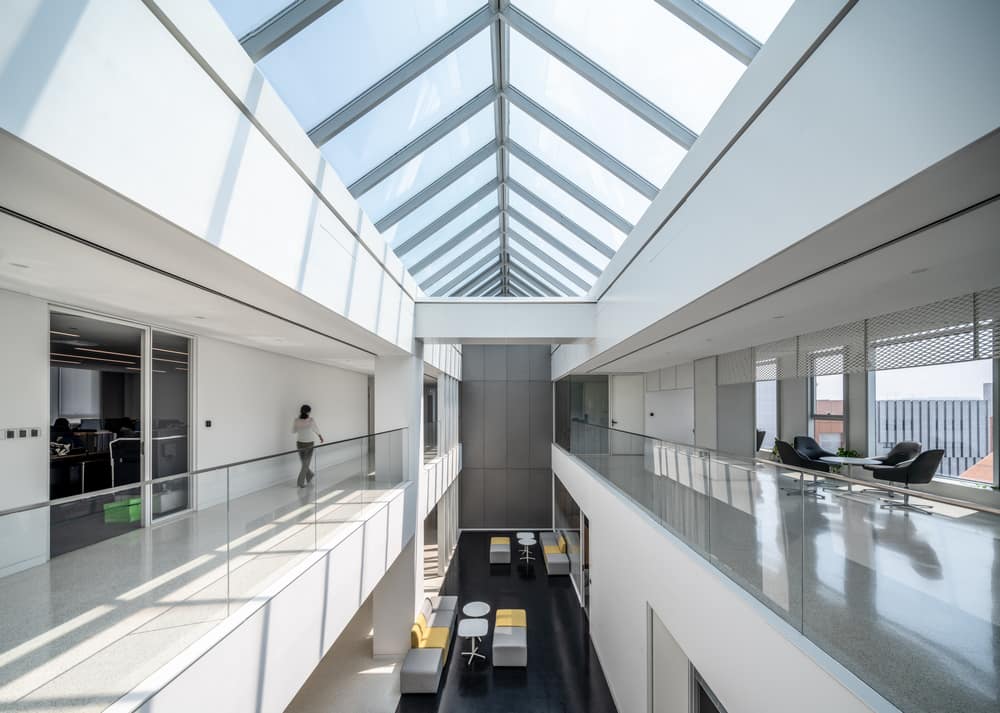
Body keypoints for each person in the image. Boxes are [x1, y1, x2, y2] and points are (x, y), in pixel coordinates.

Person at [292, 405, 323, 487]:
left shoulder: (296, 420)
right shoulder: (311, 420)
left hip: (300, 443)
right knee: (305, 464)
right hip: (309, 443)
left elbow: (294, 431)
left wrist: (300, 426)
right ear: (308, 412)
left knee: (304, 463)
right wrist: (320, 437)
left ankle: (306, 478)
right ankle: (303, 480)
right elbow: (316, 429)